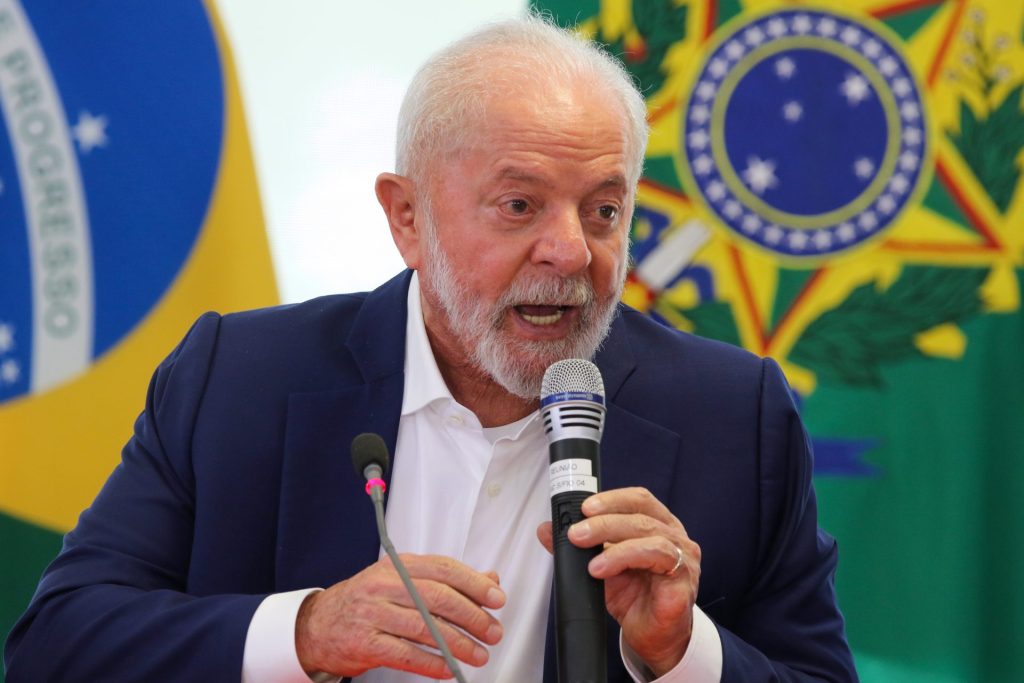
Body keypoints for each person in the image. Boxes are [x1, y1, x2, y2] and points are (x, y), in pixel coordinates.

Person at [4, 16, 857, 683]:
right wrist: (304, 631)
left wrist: (683, 652)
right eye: (520, 206)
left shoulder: (732, 414)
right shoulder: (239, 379)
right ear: (407, 217)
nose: (572, 252)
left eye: (604, 210)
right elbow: (58, 643)